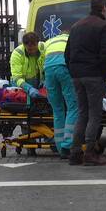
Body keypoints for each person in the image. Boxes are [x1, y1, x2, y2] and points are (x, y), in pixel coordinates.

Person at [65, 0, 106, 166]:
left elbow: (67, 54)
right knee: (94, 114)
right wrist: (105, 76)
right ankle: (90, 153)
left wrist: (74, 71)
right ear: (104, 8)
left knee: (82, 113)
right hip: (94, 76)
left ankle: (75, 152)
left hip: (77, 76)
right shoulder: (104, 26)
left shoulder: (76, 26)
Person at [42, 30, 76, 158]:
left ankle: (60, 148)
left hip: (49, 71)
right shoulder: (71, 39)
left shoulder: (49, 41)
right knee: (73, 107)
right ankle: (67, 145)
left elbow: (42, 60)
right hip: (64, 67)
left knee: (57, 110)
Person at [9, 31, 45, 99]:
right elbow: (17, 78)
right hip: (22, 85)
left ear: (38, 43)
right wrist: (28, 88)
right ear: (24, 45)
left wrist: (45, 80)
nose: (33, 51)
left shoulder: (43, 47)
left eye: (34, 48)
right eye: (30, 49)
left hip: (38, 82)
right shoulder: (17, 54)